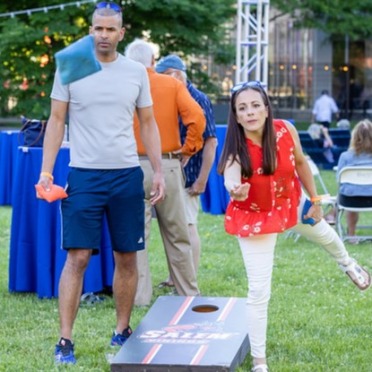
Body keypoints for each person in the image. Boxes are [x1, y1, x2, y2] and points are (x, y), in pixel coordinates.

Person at [37, 3, 165, 365]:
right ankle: (65, 340)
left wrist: (157, 170)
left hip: (126, 175)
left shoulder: (135, 71)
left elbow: (148, 123)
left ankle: (122, 330)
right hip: (84, 175)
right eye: (98, 29)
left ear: (122, 33)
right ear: (91, 30)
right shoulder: (72, 64)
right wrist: (46, 172)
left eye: (111, 30)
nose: (104, 35)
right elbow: (56, 120)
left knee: (127, 256)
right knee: (76, 258)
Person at [217, 81, 371, 372]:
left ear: (266, 108)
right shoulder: (236, 149)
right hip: (257, 217)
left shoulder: (285, 130)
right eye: (242, 108)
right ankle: (260, 362)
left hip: (291, 202)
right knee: (259, 291)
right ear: (236, 116)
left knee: (326, 235)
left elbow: (300, 162)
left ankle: (348, 263)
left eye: (255, 105)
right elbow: (231, 176)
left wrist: (315, 199)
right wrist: (234, 188)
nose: (249, 112)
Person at [125, 40, 206, 305]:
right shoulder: (172, 84)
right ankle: (188, 294)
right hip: (168, 164)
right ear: (152, 61)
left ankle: (139, 297)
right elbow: (197, 117)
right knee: (178, 234)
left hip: (130, 165)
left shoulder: (121, 85)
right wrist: (188, 149)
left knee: (137, 237)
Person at [155, 54, 217, 286]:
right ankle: (175, 277)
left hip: (189, 176)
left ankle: (189, 279)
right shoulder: (168, 96)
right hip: (169, 172)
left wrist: (201, 180)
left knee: (188, 225)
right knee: (174, 228)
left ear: (176, 75)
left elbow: (210, 143)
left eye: (163, 76)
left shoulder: (198, 99)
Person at [336, 119, 372, 239]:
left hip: (349, 201)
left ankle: (351, 235)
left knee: (350, 191)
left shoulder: (346, 157)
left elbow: (339, 180)